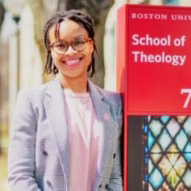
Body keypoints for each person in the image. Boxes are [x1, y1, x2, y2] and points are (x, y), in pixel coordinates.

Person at [8, 9, 123, 191]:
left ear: (91, 45)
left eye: (78, 42)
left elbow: (114, 176)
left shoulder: (113, 105)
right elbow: (19, 176)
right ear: (51, 51)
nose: (70, 52)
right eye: (61, 45)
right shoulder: (31, 102)